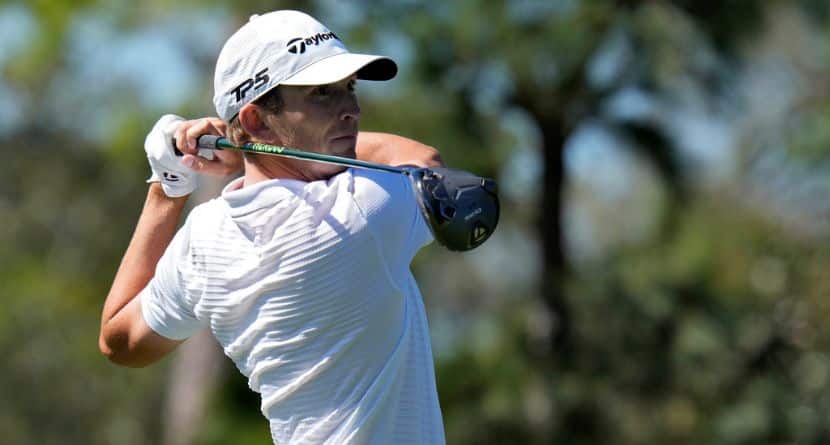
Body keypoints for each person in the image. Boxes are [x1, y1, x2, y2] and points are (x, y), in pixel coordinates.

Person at [99, 10, 448, 444]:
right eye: (323, 94)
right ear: (255, 120)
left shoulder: (204, 239)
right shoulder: (362, 209)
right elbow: (424, 162)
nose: (352, 110)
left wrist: (168, 185)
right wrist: (248, 155)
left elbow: (121, 340)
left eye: (349, 88)